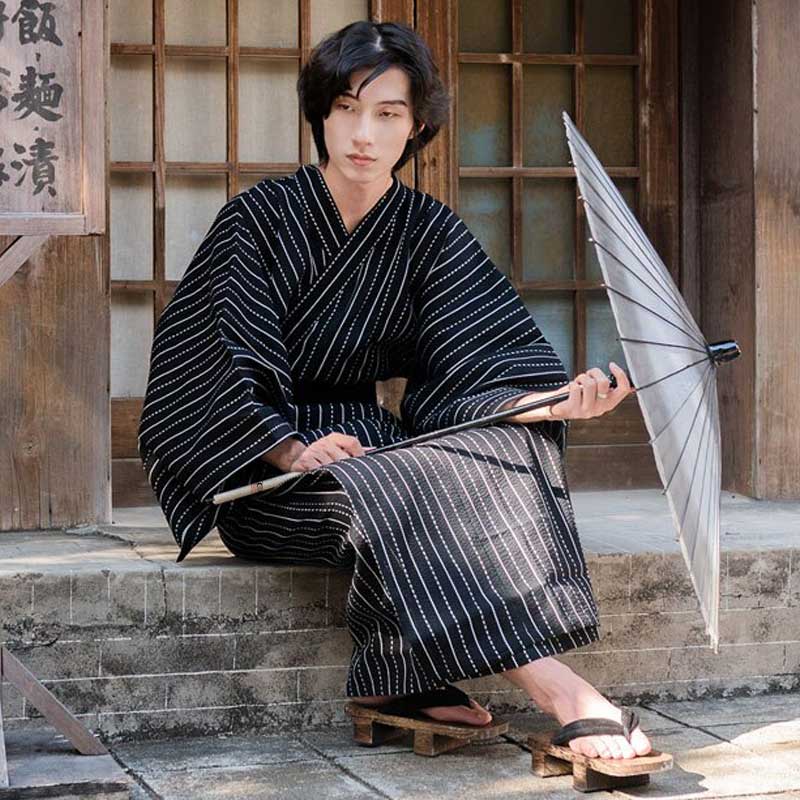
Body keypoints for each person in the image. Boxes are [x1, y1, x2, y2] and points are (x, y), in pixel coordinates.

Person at [138, 20, 651, 762]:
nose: (363, 133)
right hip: (268, 477)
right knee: (411, 480)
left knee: (499, 447)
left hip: (375, 449)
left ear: (417, 127)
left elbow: (481, 360)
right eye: (347, 107)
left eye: (388, 114)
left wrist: (546, 403)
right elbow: (206, 365)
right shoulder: (256, 220)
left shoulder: (427, 231)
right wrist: (289, 447)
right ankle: (562, 691)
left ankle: (391, 684)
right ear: (320, 112)